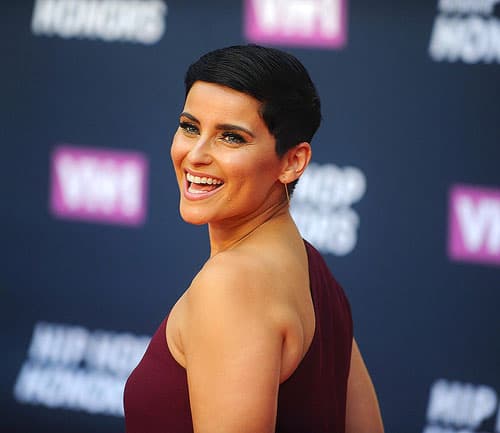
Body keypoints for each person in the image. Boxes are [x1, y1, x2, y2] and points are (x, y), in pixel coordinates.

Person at [124, 44, 384, 433]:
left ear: (292, 162)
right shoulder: (314, 272)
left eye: (231, 138)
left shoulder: (231, 285)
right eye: (190, 127)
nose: (195, 155)